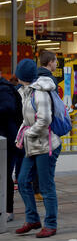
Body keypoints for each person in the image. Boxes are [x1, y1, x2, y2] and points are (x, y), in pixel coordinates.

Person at [14, 59, 62, 238]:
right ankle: (33, 219)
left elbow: (44, 120)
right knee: (23, 181)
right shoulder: (26, 92)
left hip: (46, 145)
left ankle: (51, 224)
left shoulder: (39, 93)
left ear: (22, 76)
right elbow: (27, 121)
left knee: (46, 186)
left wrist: (27, 134)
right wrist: (21, 135)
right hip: (33, 144)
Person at [0, 70, 23, 222]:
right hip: (5, 138)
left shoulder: (4, 88)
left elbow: (7, 108)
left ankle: (8, 210)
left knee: (5, 174)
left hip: (7, 140)